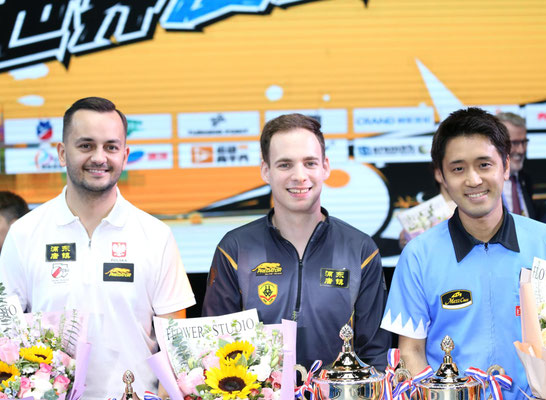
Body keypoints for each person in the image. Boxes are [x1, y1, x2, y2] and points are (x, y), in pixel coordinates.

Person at [0, 97, 195, 399]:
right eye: (86, 145)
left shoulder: (156, 236)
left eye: (111, 147)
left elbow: (174, 344)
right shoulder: (25, 233)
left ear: (125, 155)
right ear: (62, 153)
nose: (99, 157)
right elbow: (6, 334)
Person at [381, 108, 546, 400]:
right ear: (441, 176)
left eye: (484, 164)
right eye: (458, 169)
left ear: (505, 166)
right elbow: (411, 350)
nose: (473, 180)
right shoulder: (418, 256)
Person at [202, 113, 391, 370]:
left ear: (325, 167)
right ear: (266, 171)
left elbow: (376, 356)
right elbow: (214, 349)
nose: (299, 176)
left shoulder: (360, 250)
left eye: (310, 163)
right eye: (285, 165)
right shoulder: (234, 249)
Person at [497, 112, 545, 219]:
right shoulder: (486, 183)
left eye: (524, 142)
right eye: (514, 143)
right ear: (497, 143)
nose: (521, 150)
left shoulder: (526, 179)